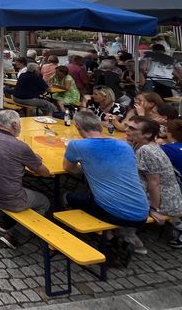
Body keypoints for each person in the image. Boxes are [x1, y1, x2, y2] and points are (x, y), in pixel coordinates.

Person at [63, 111, 149, 263]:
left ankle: (106, 239)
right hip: (142, 211)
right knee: (97, 196)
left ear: (77, 127)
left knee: (66, 197)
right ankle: (118, 238)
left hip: (115, 213)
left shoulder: (77, 145)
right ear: (100, 126)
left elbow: (68, 168)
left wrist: (87, 167)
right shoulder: (124, 145)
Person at [0, 110, 51, 249]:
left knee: (2, 178)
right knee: (45, 202)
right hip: (7, 197)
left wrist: (29, 157)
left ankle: (6, 221)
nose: (20, 126)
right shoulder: (20, 147)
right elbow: (45, 173)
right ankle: (15, 235)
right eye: (19, 123)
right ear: (15, 124)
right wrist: (33, 158)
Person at [126, 117, 182, 252]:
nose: (127, 130)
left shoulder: (147, 150)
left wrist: (153, 209)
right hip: (162, 195)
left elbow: (154, 183)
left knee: (115, 199)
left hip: (164, 200)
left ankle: (130, 239)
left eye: (132, 128)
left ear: (148, 134)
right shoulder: (140, 144)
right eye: (127, 126)